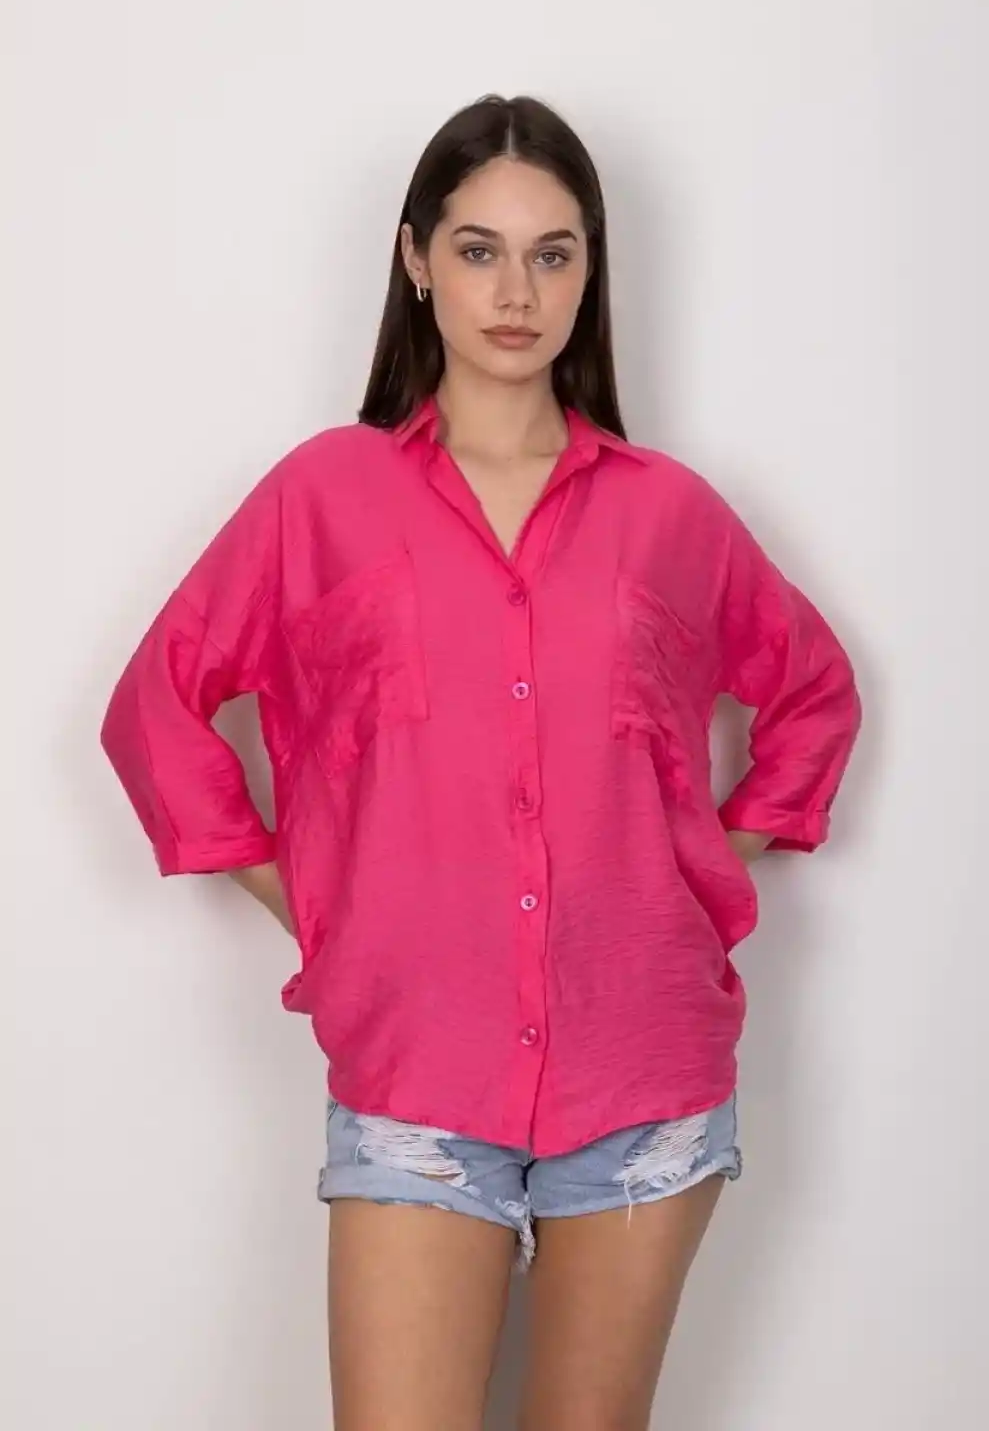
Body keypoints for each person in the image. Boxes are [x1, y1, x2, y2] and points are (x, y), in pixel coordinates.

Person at [100, 93, 862, 1431]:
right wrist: (312, 906)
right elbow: (155, 707)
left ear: (590, 273)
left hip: (644, 1076)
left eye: (553, 254)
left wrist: (701, 870)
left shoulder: (670, 514)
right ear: (415, 260)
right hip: (416, 1078)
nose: (516, 292)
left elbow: (813, 690)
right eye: (477, 249)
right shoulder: (324, 496)